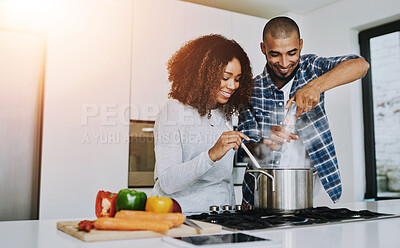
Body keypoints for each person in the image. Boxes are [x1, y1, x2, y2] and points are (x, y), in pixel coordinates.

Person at [238, 16, 370, 206]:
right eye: (275, 54)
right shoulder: (250, 90)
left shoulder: (312, 68)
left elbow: (360, 65)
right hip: (262, 194)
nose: (284, 63)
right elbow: (244, 151)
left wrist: (315, 87)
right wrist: (267, 144)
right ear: (263, 49)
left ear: (300, 45)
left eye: (292, 53)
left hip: (311, 189)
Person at [152, 34, 255, 213]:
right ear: (203, 74)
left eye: (237, 79)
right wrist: (212, 154)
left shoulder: (225, 113)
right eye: (225, 77)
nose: (232, 86)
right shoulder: (174, 111)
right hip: (182, 219)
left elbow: (224, 181)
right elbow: (167, 182)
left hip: (222, 220)